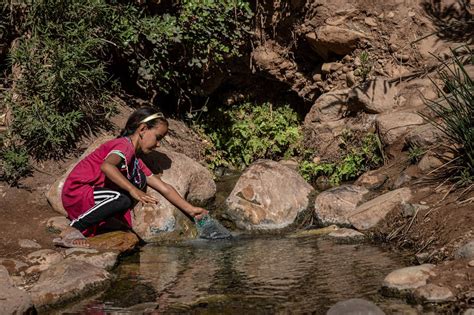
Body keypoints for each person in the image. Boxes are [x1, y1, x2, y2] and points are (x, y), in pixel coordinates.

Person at [53, 106, 208, 247]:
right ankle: (72, 229)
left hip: (90, 196)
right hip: (78, 191)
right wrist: (133, 189)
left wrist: (191, 209)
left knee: (124, 205)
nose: (159, 144)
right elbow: (107, 166)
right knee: (122, 199)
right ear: (143, 129)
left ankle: (91, 225)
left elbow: (164, 187)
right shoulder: (123, 146)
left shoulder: (135, 160)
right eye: (158, 137)